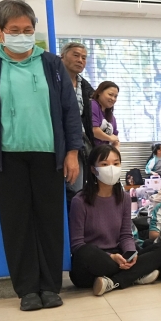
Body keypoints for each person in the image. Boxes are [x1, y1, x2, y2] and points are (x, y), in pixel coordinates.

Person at [0, 0, 81, 312]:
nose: (22, 35)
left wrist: (72, 152)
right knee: (17, 225)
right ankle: (27, 290)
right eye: (14, 30)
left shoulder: (52, 64)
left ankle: (50, 287)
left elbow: (70, 111)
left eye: (27, 30)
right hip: (7, 157)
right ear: (0, 30)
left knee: (50, 222)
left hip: (49, 156)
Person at [70, 144, 161, 295]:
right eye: (104, 164)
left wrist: (131, 254)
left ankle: (114, 281)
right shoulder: (79, 201)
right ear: (93, 169)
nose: (111, 168)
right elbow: (77, 245)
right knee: (86, 251)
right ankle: (135, 275)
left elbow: (126, 234)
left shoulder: (124, 198)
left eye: (116, 163)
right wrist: (111, 257)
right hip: (93, 262)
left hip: (118, 255)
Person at [60, 42, 95, 206]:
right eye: (76, 55)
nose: (80, 60)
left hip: (78, 144)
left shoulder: (86, 87)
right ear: (62, 56)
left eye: (84, 57)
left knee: (77, 190)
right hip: (56, 142)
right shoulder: (51, 81)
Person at [90, 81, 120, 147]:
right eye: (110, 94)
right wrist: (110, 138)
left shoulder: (112, 117)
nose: (113, 99)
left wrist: (116, 151)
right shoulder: (93, 104)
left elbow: (116, 139)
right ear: (99, 92)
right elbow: (94, 130)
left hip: (106, 152)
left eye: (115, 96)